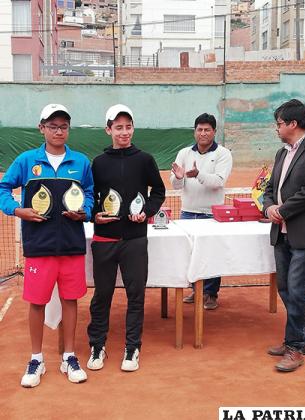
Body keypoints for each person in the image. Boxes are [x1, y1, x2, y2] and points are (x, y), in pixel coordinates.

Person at [0, 104, 94, 387]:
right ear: (41, 128)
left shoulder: (81, 162)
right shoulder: (27, 161)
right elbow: (3, 188)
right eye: (52, 126)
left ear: (68, 129)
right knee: (37, 303)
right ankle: (37, 358)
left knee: (70, 300)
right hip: (39, 246)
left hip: (71, 245)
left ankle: (68, 356)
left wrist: (85, 212)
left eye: (63, 126)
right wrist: (18, 210)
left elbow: (89, 193)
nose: (58, 131)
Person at [87, 104, 165, 372]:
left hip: (135, 239)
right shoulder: (98, 163)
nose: (124, 132)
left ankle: (132, 348)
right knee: (102, 295)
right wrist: (95, 215)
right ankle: (97, 344)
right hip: (104, 240)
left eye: (128, 127)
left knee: (136, 295)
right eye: (118, 127)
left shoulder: (144, 160)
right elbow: (90, 197)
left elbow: (158, 191)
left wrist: (146, 212)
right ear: (108, 129)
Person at [263, 99, 305, 372]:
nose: (277, 128)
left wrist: (282, 210)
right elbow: (270, 187)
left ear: (293, 124)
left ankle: (294, 347)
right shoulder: (282, 153)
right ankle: (299, 338)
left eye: (279, 123)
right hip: (281, 233)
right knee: (285, 288)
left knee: (298, 291)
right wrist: (269, 205)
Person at [170, 113, 232, 310]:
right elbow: (176, 184)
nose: (203, 133)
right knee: (189, 255)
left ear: (214, 132)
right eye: (199, 129)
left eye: (207, 130)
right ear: (194, 132)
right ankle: (197, 290)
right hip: (188, 212)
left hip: (213, 214)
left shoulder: (223, 154)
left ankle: (211, 293)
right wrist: (179, 177)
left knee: (212, 255)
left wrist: (198, 174)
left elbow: (218, 182)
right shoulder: (184, 153)